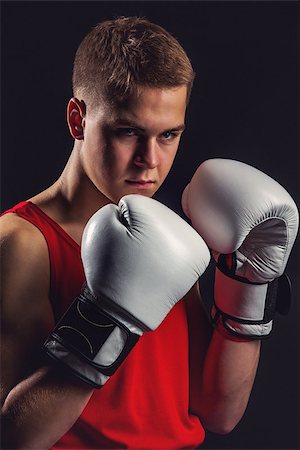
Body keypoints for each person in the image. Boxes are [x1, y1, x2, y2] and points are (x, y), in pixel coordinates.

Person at [1, 16, 298, 450]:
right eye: (128, 132)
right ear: (78, 119)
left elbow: (219, 412)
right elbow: (11, 437)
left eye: (169, 135)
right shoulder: (23, 242)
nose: (150, 160)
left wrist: (247, 283)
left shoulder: (168, 240)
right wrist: (107, 317)